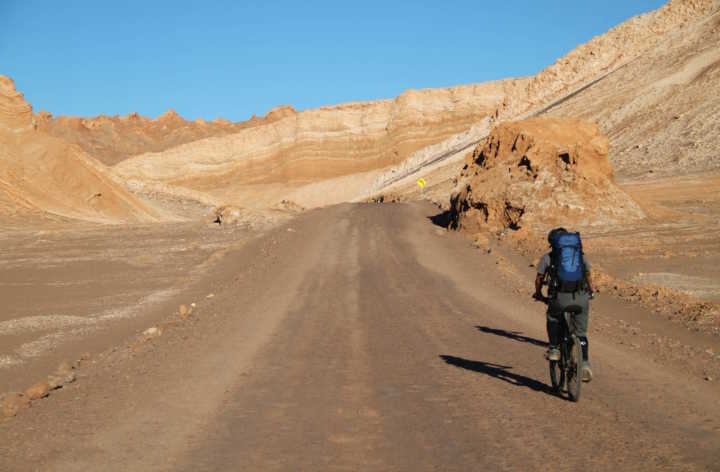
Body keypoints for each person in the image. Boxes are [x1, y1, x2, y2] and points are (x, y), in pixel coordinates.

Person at [534, 227, 595, 382]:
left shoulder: (548, 258)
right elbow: (589, 275)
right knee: (581, 333)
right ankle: (585, 364)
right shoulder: (579, 256)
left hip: (559, 299)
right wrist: (591, 292)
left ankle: (554, 348)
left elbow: (539, 279)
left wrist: (539, 293)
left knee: (553, 317)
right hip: (581, 298)